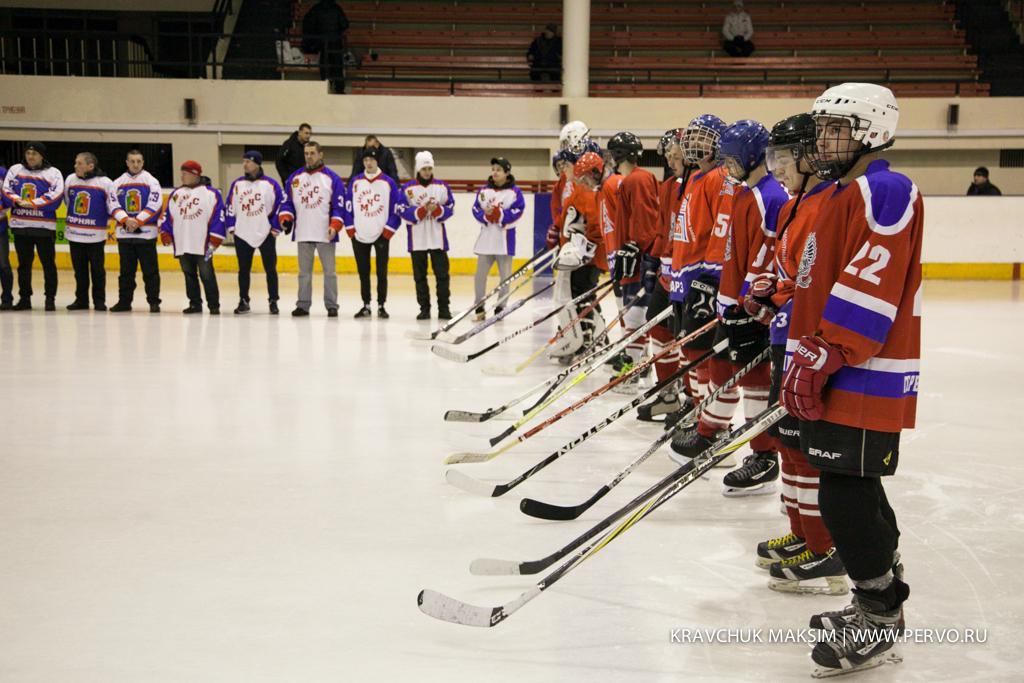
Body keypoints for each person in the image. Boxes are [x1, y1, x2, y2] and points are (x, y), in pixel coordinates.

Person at [782, 83, 919, 677]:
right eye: (820, 128)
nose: (821, 140)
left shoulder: (886, 189)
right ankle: (881, 589)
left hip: (865, 369)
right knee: (853, 484)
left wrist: (828, 350)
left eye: (835, 128)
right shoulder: (840, 193)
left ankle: (879, 614)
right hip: (836, 364)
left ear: (871, 132)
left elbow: (874, 277)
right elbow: (818, 278)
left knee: (843, 490)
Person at [743, 113, 844, 595]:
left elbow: (824, 281)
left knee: (807, 445)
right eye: (771, 158)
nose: (775, 168)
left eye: (782, 158)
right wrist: (774, 291)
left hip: (810, 345)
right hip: (787, 337)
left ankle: (824, 543)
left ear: (808, 156)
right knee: (787, 440)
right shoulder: (793, 207)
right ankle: (804, 533)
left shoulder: (829, 205)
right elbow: (796, 276)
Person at [670, 121, 788, 481]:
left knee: (755, 378)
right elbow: (731, 253)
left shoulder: (769, 195)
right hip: (731, 301)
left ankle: (764, 455)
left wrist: (747, 300)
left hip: (749, 307)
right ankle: (714, 434)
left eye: (734, 159)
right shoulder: (743, 192)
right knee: (725, 368)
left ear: (754, 156)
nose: (729, 166)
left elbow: (767, 254)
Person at [665, 114, 731, 431]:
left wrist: (711, 278)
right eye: (691, 138)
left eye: (702, 138)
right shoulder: (694, 179)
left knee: (700, 351)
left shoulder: (721, 177)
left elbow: (722, 230)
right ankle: (695, 408)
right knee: (689, 348)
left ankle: (709, 418)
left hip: (702, 279)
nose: (693, 144)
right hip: (684, 276)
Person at [637, 128, 690, 420]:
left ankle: (690, 398)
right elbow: (663, 230)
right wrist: (653, 260)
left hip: (688, 276)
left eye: (675, 152)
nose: (670, 158)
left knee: (686, 338)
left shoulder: (698, 185)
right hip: (667, 274)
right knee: (658, 329)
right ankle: (668, 393)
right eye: (667, 154)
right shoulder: (669, 186)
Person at [606, 131, 661, 394]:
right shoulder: (633, 179)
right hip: (634, 258)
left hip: (638, 261)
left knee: (635, 315)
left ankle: (633, 368)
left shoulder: (636, 180)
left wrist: (640, 250)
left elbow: (646, 221)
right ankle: (636, 365)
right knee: (633, 315)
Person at [278, 141, 348, 317]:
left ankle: (332, 305)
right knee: (304, 274)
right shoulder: (294, 179)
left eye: (312, 153)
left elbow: (339, 208)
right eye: (306, 153)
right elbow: (287, 203)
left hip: (326, 234)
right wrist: (286, 218)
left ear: (320, 154)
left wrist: (335, 226)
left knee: (330, 273)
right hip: (303, 233)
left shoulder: (332, 179)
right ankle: (303, 305)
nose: (309, 156)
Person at [1, 142, 63, 311]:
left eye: (34, 154)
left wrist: (32, 204)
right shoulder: (15, 170)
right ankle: (24, 298)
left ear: (42, 155)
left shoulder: (53, 173)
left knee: (48, 264)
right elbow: (6, 190)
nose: (30, 156)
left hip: (44, 228)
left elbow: (56, 197)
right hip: (21, 226)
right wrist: (17, 200)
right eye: (28, 153)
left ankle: (50, 299)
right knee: (24, 265)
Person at [158, 160, 226, 314]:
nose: (182, 177)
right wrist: (166, 232)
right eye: (181, 173)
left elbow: (218, 217)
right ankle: (195, 303)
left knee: (207, 274)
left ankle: (213, 305)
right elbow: (168, 215)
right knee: (189, 275)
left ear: (195, 175)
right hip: (183, 244)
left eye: (185, 174)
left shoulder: (211, 194)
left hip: (205, 246)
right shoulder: (176, 194)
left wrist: (215, 239)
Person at [398, 150, 455, 320]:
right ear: (418, 169)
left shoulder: (442, 187)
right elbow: (401, 209)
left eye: (429, 168)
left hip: (438, 239)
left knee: (442, 276)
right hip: (417, 240)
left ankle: (444, 308)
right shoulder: (408, 188)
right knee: (420, 277)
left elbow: (450, 208)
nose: (427, 172)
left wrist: (437, 210)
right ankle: (424, 308)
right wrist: (422, 210)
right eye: (424, 168)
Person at [225, 150, 284, 315]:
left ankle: (273, 300)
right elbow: (229, 205)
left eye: (248, 161)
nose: (244, 164)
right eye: (243, 161)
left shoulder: (271, 184)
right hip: (242, 234)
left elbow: (280, 205)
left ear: (257, 164)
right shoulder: (237, 184)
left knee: (270, 269)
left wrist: (275, 227)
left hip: (265, 233)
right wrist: (232, 227)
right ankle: (243, 300)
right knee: (243, 270)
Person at [347, 147, 400, 319]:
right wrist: (351, 230)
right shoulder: (355, 182)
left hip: (381, 235)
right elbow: (347, 208)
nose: (368, 163)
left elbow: (396, 210)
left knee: (381, 272)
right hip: (359, 235)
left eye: (371, 160)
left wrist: (388, 231)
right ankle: (366, 304)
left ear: (377, 161)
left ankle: (381, 305)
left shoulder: (388, 183)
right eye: (365, 160)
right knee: (363, 272)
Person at [109, 149, 164, 313]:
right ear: (127, 162)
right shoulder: (117, 182)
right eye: (132, 161)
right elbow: (112, 204)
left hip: (146, 235)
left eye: (138, 161)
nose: (135, 164)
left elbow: (155, 205)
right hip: (125, 235)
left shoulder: (152, 181)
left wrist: (138, 221)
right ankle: (124, 302)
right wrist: (126, 220)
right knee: (126, 272)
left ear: (143, 162)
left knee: (151, 272)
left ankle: (154, 302)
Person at [470, 157, 524, 321]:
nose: (494, 172)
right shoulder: (483, 191)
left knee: (505, 277)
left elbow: (518, 212)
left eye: (499, 170)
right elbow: (475, 209)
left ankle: (500, 307)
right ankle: (479, 307)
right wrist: (486, 216)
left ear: (507, 173)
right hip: (486, 241)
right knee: (479, 276)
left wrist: (499, 215)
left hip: (505, 242)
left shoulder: (515, 192)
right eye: (493, 169)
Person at [64, 152, 114, 311]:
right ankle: (81, 300)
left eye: (79, 163)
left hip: (95, 237)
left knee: (98, 271)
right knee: (79, 271)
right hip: (74, 234)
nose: (75, 166)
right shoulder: (70, 179)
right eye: (75, 162)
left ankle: (99, 301)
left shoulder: (105, 182)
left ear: (90, 166)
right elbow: (67, 201)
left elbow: (111, 206)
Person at [301, 0, 350, 92]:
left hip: (322, 42)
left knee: (324, 65)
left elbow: (309, 24)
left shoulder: (316, 8)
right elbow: (345, 24)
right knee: (338, 67)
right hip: (336, 41)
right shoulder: (337, 8)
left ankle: (325, 87)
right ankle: (339, 89)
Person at [0, 162, 13, 309]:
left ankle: (7, 299)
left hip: (0, 228)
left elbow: (9, 197)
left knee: (3, 265)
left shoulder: (3, 173)